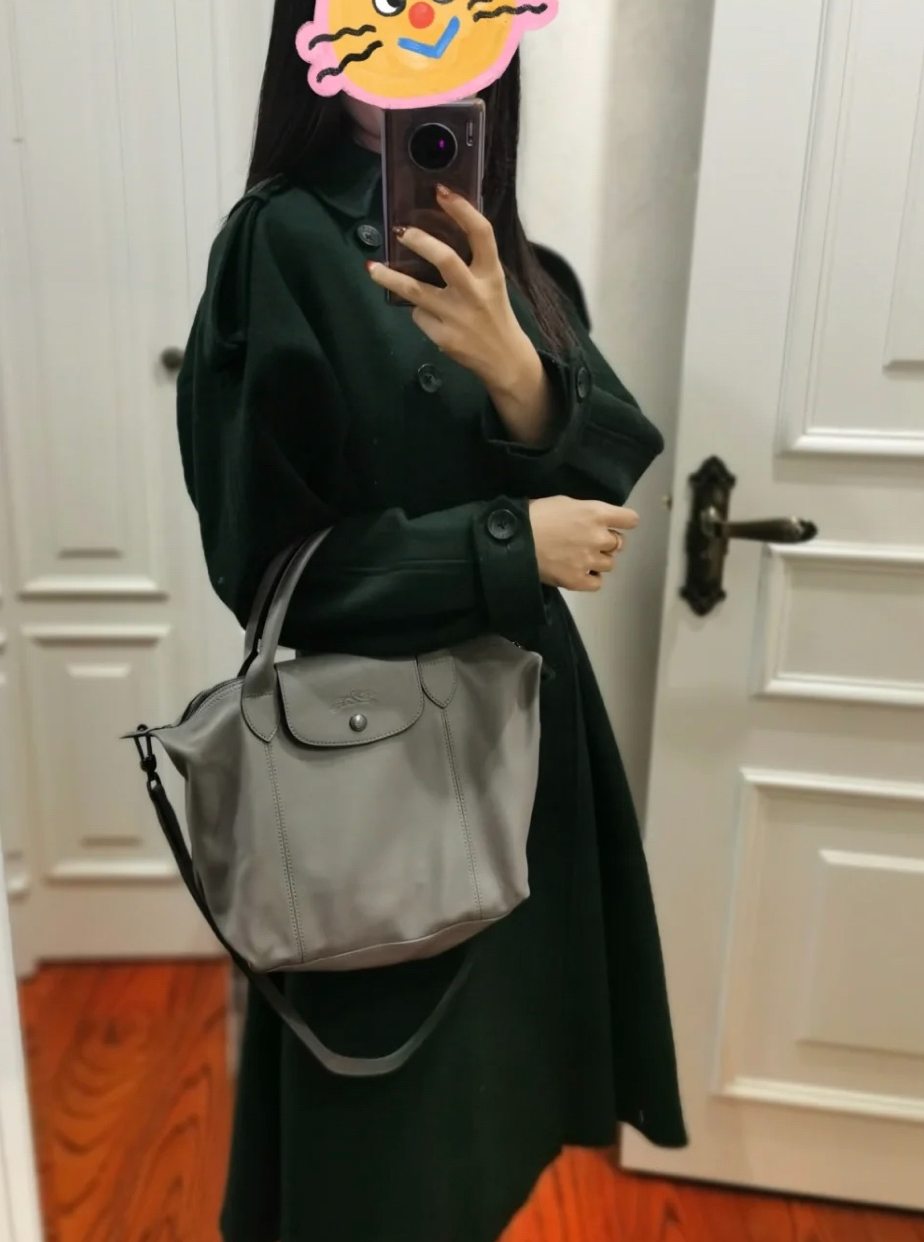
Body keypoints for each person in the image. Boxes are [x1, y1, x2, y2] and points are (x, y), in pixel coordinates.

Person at [175, 3, 687, 1238]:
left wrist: (516, 363)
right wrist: (509, 545)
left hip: (530, 735)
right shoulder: (281, 244)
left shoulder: (510, 255)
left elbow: (611, 471)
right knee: (382, 1143)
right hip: (379, 761)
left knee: (496, 1113)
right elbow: (266, 568)